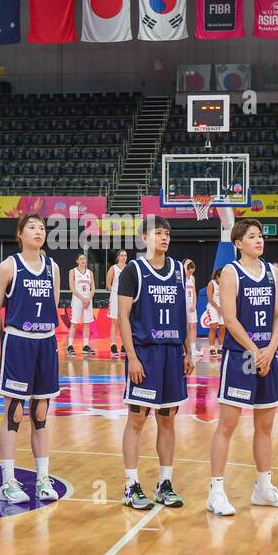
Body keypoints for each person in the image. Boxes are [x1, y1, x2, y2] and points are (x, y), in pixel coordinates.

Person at [206, 219, 278, 516]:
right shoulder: (231, 272)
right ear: (238, 243)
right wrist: (256, 351)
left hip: (266, 355)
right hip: (241, 355)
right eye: (251, 236)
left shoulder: (273, 272)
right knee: (227, 426)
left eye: (260, 236)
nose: (259, 240)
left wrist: (270, 349)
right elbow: (229, 319)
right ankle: (216, 491)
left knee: (265, 426)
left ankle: (263, 488)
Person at [117, 217, 191, 509]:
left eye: (167, 233)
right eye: (158, 233)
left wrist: (188, 351)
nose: (164, 237)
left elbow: (183, 313)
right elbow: (123, 316)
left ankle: (165, 483)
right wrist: (132, 356)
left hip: (172, 353)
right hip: (145, 354)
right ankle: (131, 485)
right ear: (144, 238)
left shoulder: (177, 271)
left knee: (167, 419)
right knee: (137, 419)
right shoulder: (133, 271)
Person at [0, 213, 60, 504]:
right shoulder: (9, 266)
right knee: (14, 413)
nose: (38, 231)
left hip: (46, 342)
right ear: (20, 234)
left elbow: (53, 304)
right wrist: (2, 342)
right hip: (18, 341)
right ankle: (7, 482)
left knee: (41, 414)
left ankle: (42, 478)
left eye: (42, 228)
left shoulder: (53, 267)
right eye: (31, 227)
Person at [67, 252, 96, 357]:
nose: (83, 260)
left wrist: (88, 299)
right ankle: (70, 346)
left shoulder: (90, 272)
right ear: (77, 261)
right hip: (78, 299)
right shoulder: (73, 271)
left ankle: (86, 345)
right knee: (74, 323)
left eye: (84, 258)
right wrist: (83, 299)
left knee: (87, 323)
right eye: (81, 258)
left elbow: (93, 288)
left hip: (88, 300)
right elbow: (72, 288)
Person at [105, 250, 128, 357]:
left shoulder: (129, 268)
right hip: (115, 297)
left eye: (125, 255)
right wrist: (115, 293)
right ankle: (113, 345)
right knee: (114, 322)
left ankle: (124, 345)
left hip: (126, 298)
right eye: (122, 255)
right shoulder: (113, 268)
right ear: (118, 257)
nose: (124, 257)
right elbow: (108, 284)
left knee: (124, 322)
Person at [203, 268, 225, 358]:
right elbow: (210, 299)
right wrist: (218, 308)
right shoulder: (211, 284)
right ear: (217, 276)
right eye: (221, 277)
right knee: (213, 326)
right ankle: (212, 347)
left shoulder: (225, 284)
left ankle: (221, 347)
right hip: (213, 307)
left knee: (223, 328)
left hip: (222, 308)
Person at [183, 258, 201, 359]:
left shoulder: (192, 278)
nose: (190, 274)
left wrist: (194, 304)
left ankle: (193, 348)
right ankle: (185, 348)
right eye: (189, 272)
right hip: (182, 304)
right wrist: (186, 263)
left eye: (192, 272)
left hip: (191, 304)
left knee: (193, 325)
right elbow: (184, 270)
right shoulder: (181, 275)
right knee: (184, 327)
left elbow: (194, 291)